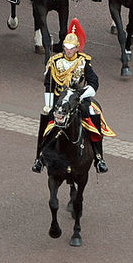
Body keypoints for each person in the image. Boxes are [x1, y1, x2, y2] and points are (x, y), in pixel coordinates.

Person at [32, 20, 110, 174]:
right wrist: (48, 104)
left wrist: (82, 94)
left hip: (78, 99)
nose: (68, 51)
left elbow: (94, 82)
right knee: (46, 121)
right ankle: (39, 157)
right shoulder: (55, 62)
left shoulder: (83, 62)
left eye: (71, 48)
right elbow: (49, 84)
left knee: (94, 115)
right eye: (66, 48)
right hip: (59, 99)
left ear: (76, 48)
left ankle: (99, 157)